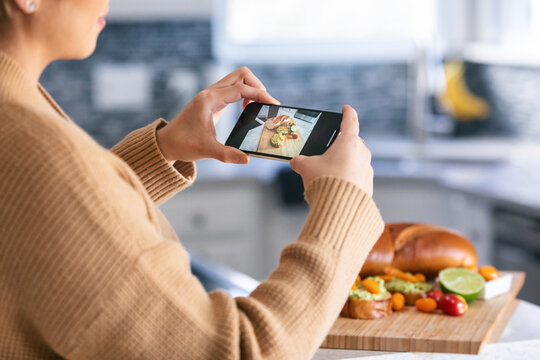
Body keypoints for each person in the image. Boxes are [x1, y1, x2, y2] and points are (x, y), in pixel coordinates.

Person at [0, 0, 384, 359]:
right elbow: (236, 349)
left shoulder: (18, 119)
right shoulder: (36, 145)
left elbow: (42, 226)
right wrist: (343, 200)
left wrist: (163, 150)